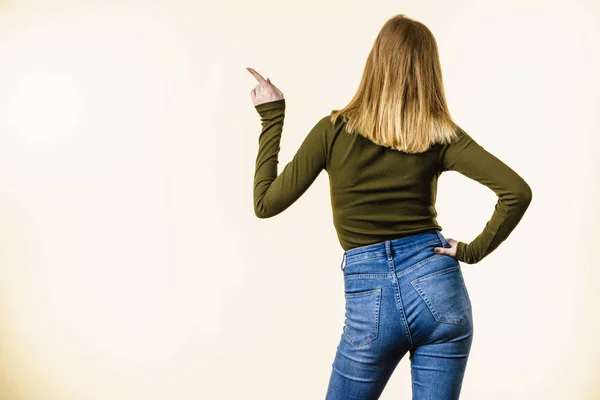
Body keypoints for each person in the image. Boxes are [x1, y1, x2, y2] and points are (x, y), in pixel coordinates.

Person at [247, 13, 532, 400]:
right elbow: (517, 191)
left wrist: (272, 116)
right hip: (438, 287)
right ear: (430, 73)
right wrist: (470, 252)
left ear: (375, 63)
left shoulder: (332, 131)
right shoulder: (440, 134)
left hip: (371, 297)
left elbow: (265, 203)